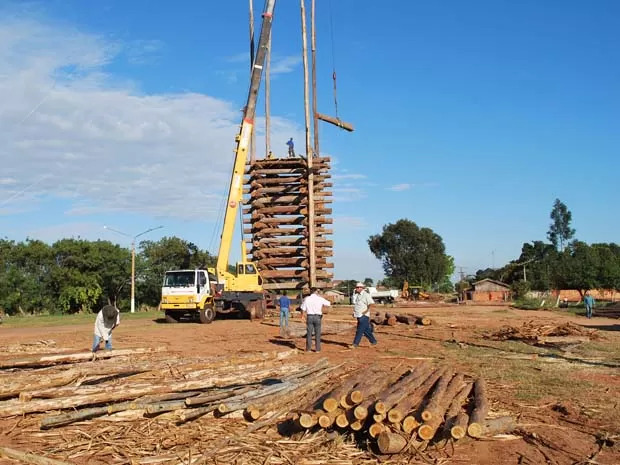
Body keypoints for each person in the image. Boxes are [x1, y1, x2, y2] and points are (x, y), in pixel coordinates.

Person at [300, 287, 331, 352]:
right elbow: (329, 303)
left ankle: (308, 349)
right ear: (316, 292)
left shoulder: (307, 299)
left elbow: (303, 308)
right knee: (318, 333)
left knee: (309, 333)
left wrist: (302, 316)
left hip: (310, 317)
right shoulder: (320, 298)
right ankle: (317, 349)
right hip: (317, 317)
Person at [351, 282, 377, 348]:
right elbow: (357, 305)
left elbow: (371, 304)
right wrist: (354, 313)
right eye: (357, 287)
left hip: (364, 316)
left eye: (360, 287)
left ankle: (355, 344)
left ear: (362, 288)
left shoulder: (366, 295)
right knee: (366, 330)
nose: (358, 288)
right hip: (358, 315)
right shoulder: (357, 295)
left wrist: (365, 312)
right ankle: (373, 341)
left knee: (359, 330)